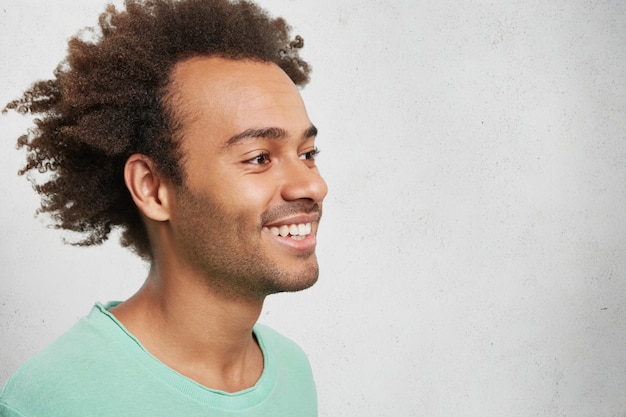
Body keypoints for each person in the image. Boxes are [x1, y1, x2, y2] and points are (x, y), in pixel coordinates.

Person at [0, 0, 327, 415]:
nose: (314, 185)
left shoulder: (293, 371)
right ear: (153, 189)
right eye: (259, 157)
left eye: (309, 152)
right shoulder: (51, 400)